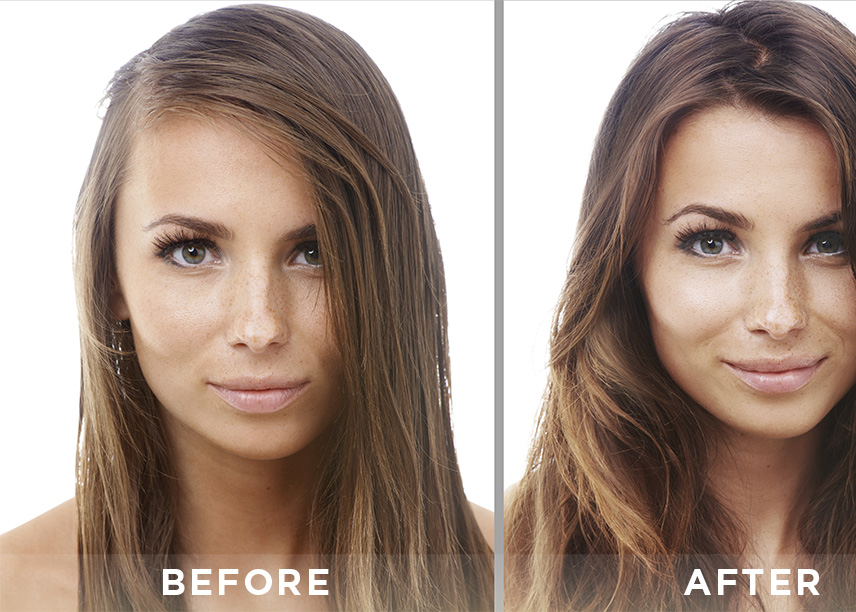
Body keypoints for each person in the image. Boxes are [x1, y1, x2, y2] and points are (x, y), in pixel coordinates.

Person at [503, 1, 856, 610]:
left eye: (830, 243)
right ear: (628, 265)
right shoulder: (497, 559)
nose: (780, 313)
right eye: (712, 242)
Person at [0, 4, 493, 611]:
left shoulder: (536, 582)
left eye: (315, 253)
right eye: (191, 251)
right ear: (111, 280)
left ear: (392, 271)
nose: (260, 327)